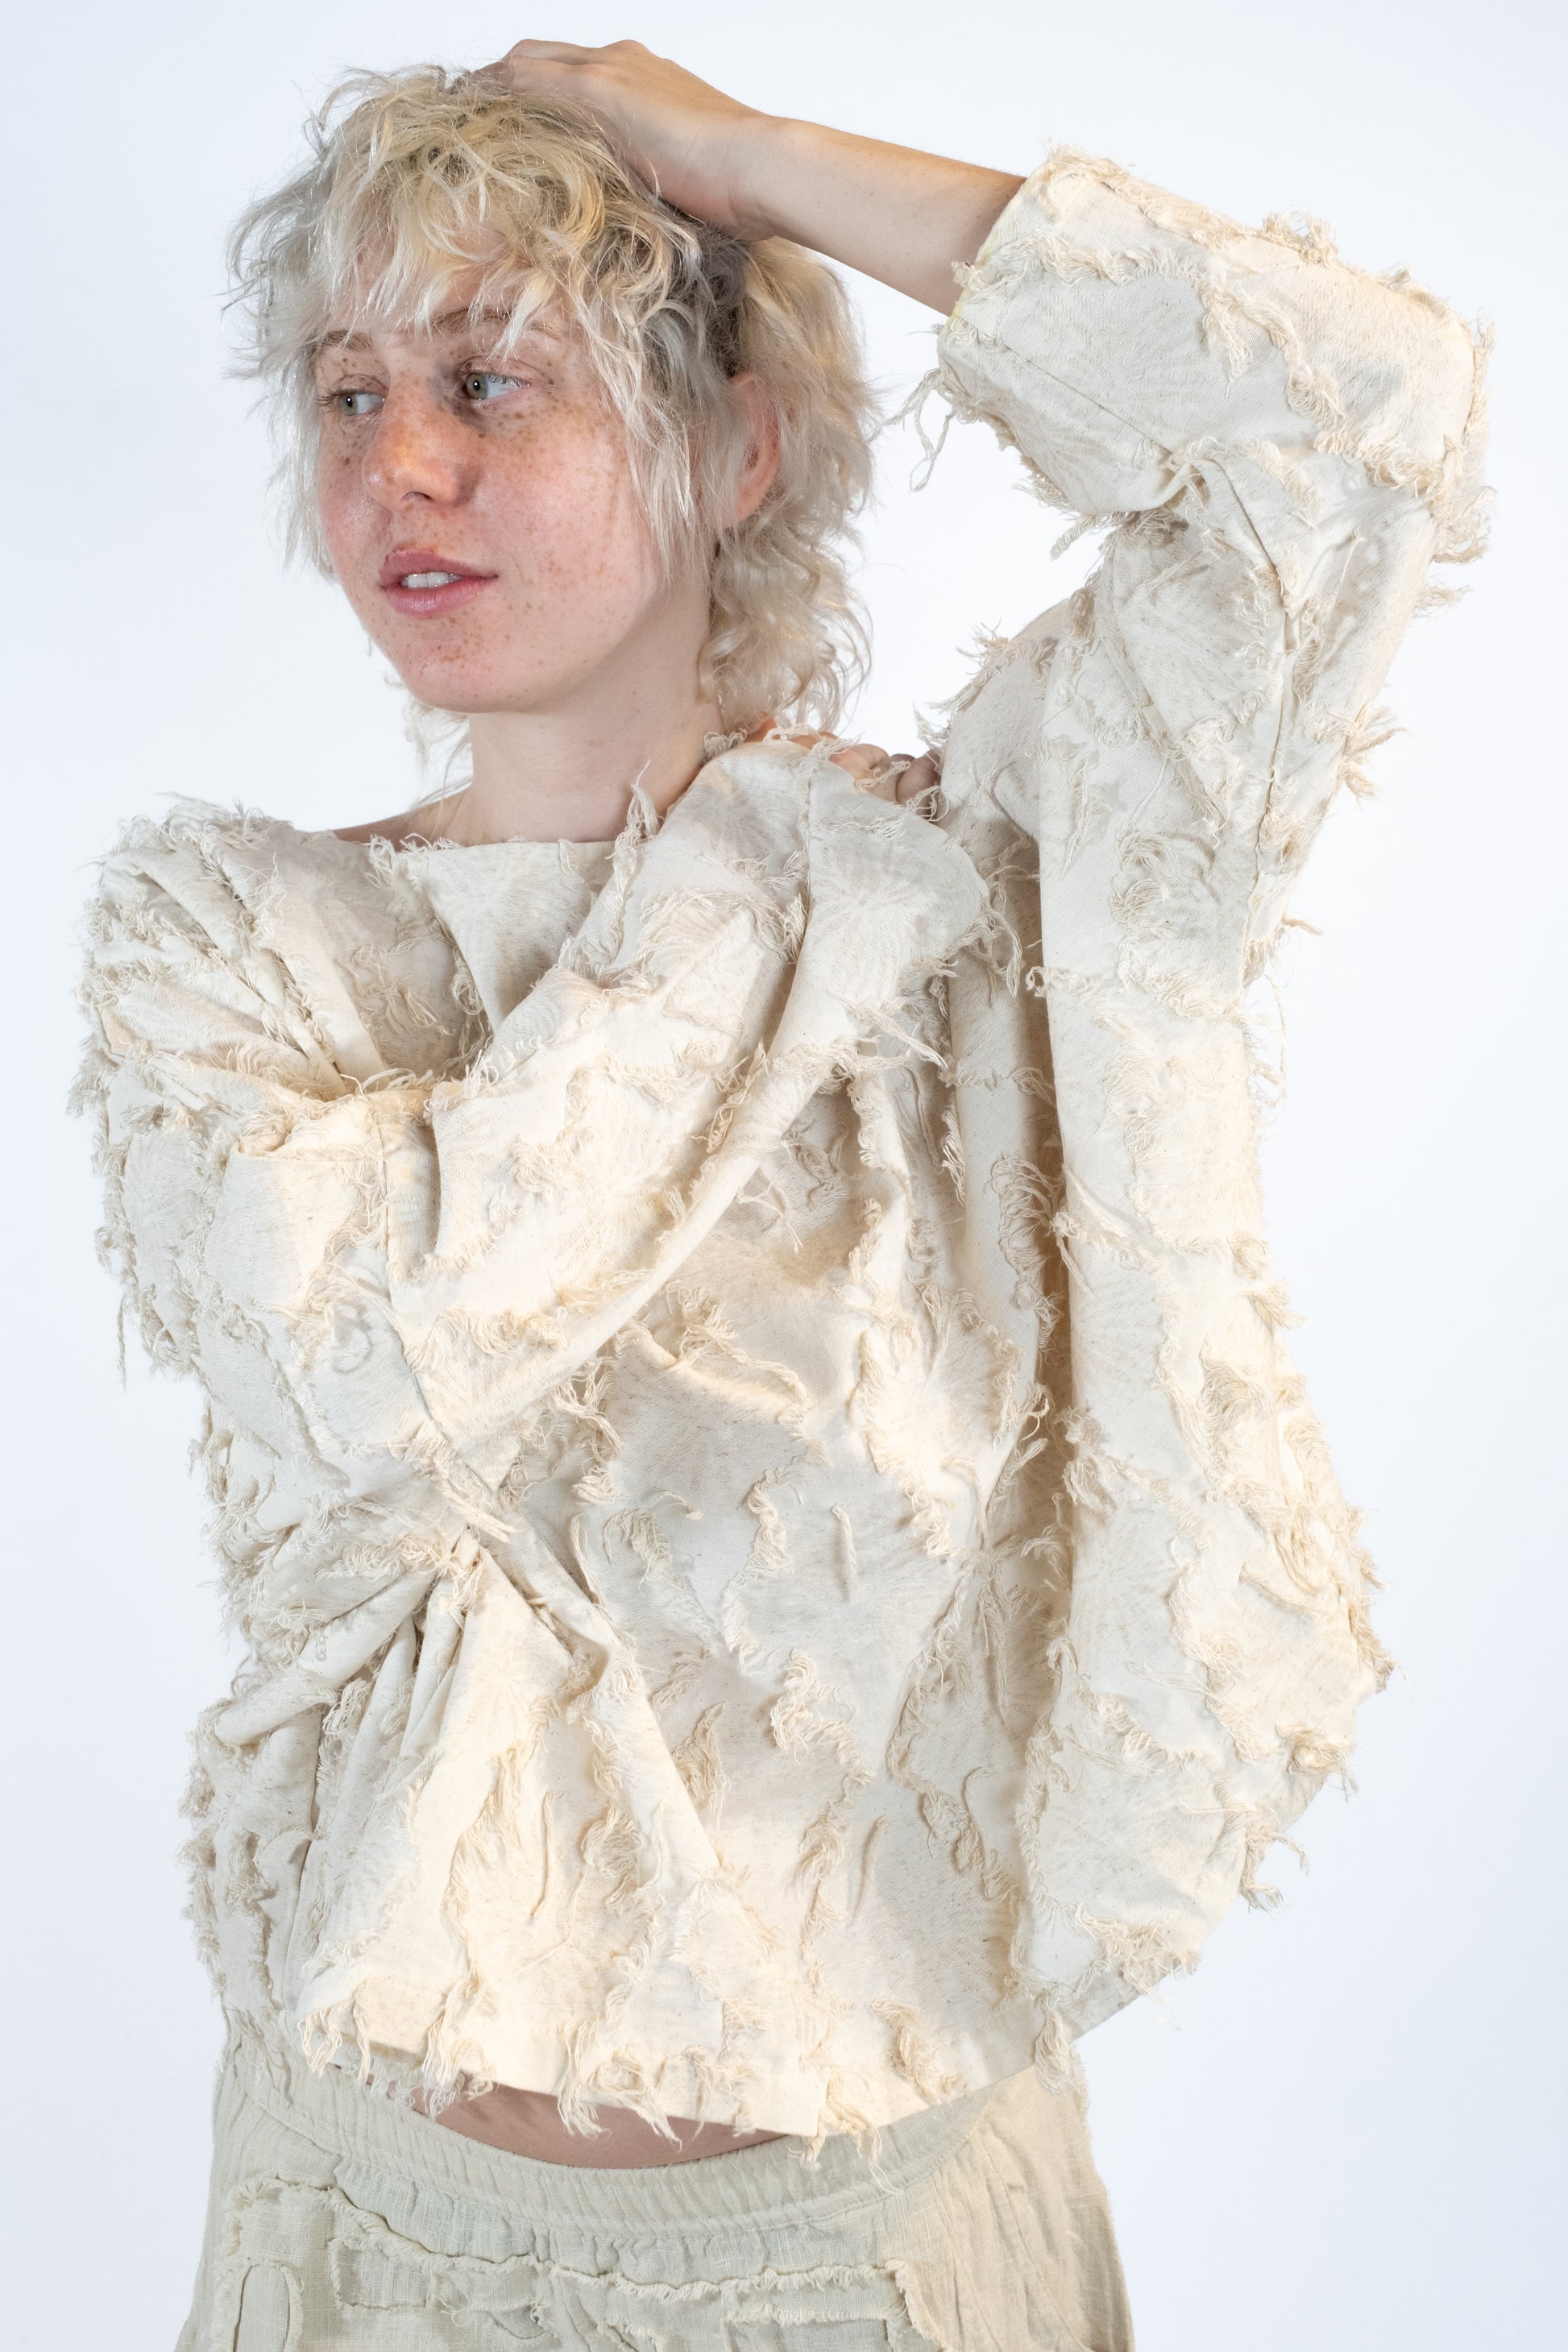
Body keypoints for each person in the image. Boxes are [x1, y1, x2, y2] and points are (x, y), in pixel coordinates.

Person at [76, 37, 1487, 2351]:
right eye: (346, 393)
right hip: (359, 2234)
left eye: (490, 377)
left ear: (735, 448)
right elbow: (373, 1344)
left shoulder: (987, 887)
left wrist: (754, 161)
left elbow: (1352, 426)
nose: (398, 464)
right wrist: (749, 855)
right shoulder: (228, 945)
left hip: (872, 2252)